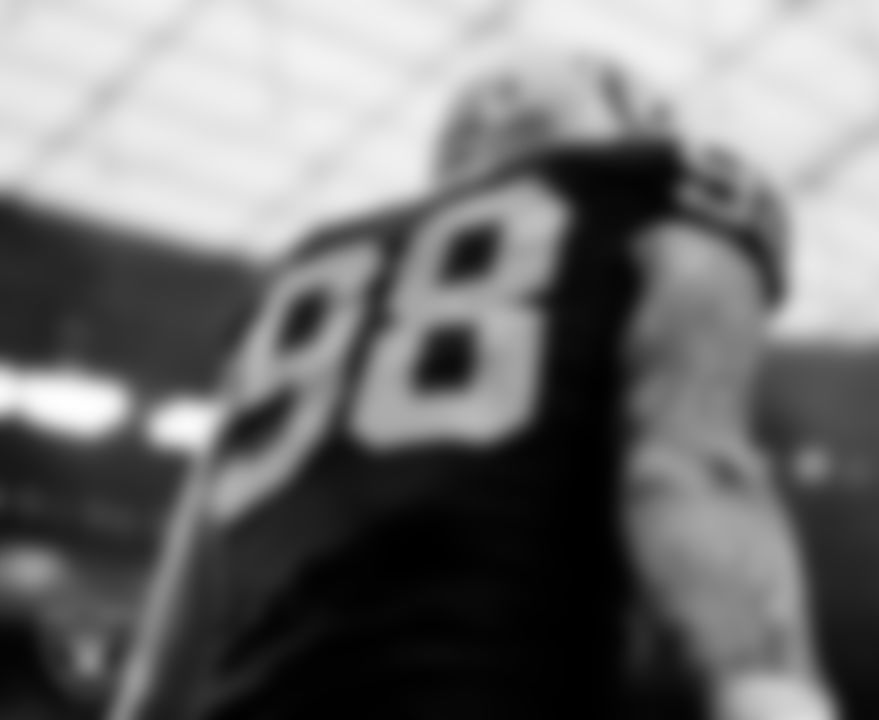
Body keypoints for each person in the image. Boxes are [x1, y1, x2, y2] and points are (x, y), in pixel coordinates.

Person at [108, 50, 837, 720]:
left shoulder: (298, 276)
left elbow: (173, 635)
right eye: (625, 93)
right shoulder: (653, 189)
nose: (655, 117)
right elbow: (691, 468)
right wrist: (768, 688)